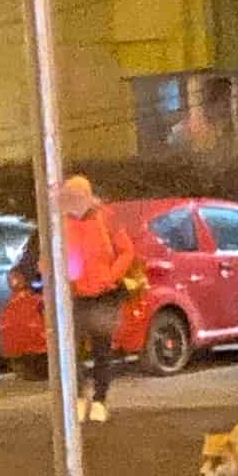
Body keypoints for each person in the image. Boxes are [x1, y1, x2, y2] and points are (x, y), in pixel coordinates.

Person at [56, 175, 134, 423]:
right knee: (70, 351)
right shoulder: (59, 224)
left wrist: (110, 276)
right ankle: (79, 397)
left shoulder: (106, 218)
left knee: (102, 350)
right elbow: (49, 257)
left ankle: (100, 399)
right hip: (74, 296)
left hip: (102, 295)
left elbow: (126, 251)